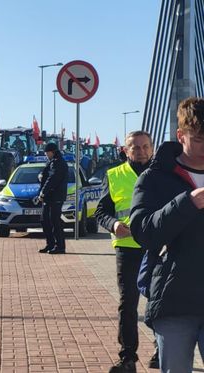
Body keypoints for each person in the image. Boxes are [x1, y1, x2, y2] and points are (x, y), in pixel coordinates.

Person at [130, 97, 204, 372]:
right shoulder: (154, 178)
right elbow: (144, 233)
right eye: (197, 139)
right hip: (174, 300)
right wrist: (187, 203)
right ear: (180, 135)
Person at [95, 130, 157, 372]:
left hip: (157, 247)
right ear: (126, 150)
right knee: (128, 303)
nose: (141, 151)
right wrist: (113, 224)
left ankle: (160, 349)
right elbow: (101, 211)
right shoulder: (113, 175)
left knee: (159, 301)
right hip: (127, 249)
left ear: (152, 148)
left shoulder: (163, 175)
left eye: (145, 146)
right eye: (135, 147)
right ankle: (128, 358)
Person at [37, 142, 68, 254]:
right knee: (45, 220)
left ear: (52, 152)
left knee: (55, 221)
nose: (46, 154)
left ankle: (60, 246)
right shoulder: (52, 162)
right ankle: (50, 244)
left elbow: (53, 179)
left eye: (47, 152)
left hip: (56, 196)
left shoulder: (58, 163)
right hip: (49, 197)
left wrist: (43, 192)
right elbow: (47, 176)